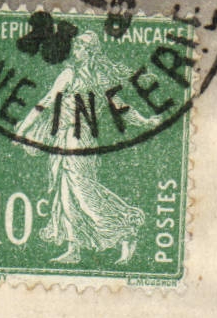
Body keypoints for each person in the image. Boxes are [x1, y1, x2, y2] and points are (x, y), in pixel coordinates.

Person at [14, 31, 158, 264]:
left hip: (82, 140)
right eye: (76, 46)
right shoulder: (68, 74)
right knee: (65, 192)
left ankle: (126, 227)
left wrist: (144, 121)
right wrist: (22, 130)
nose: (75, 51)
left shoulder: (98, 78)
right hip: (65, 138)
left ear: (89, 52)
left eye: (80, 47)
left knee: (83, 191)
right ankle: (74, 248)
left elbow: (120, 107)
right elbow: (46, 103)